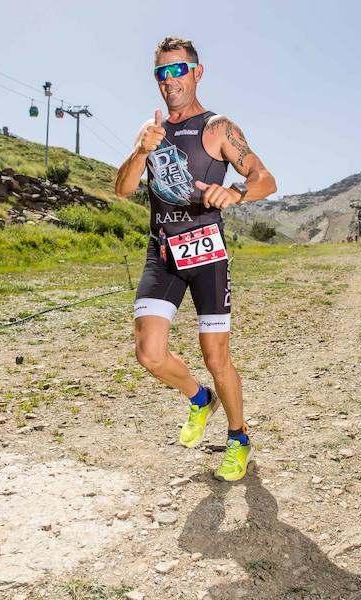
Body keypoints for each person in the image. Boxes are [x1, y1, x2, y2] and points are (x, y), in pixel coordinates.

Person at [115, 36, 276, 482]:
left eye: (178, 70)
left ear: (196, 72)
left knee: (215, 356)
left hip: (206, 252)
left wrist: (237, 191)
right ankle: (199, 398)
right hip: (162, 251)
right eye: (161, 73)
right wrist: (141, 150)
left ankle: (238, 436)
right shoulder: (150, 131)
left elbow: (265, 177)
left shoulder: (219, 127)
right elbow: (123, 188)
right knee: (149, 353)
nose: (170, 81)